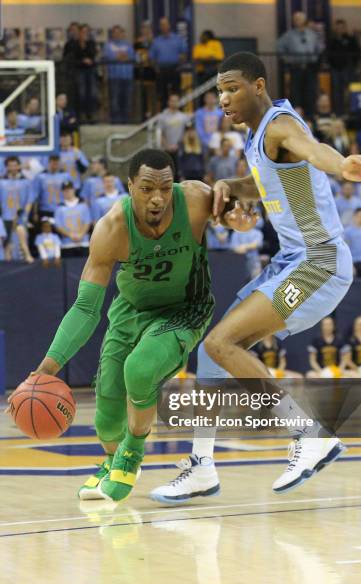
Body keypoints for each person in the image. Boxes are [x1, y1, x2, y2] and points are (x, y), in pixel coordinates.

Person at [150, 51, 361, 504]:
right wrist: (229, 188)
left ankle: (307, 434)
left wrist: (344, 166)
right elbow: (261, 183)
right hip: (292, 262)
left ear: (258, 85)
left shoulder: (279, 124)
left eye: (232, 88)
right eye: (219, 91)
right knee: (213, 354)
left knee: (221, 344)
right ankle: (202, 466)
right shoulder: (258, 139)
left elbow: (315, 152)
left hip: (319, 263)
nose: (223, 99)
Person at [10, 149, 256, 503]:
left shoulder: (196, 200)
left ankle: (132, 453)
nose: (157, 198)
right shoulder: (111, 228)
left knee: (139, 370)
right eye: (146, 189)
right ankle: (113, 458)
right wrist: (45, 370)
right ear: (129, 187)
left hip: (184, 309)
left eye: (165, 188)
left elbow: (239, 205)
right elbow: (85, 308)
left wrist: (239, 219)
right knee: (107, 414)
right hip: (131, 310)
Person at [276, 12, 321, 116]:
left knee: (310, 93)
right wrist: (288, 59)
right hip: (296, 68)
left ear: (304, 20)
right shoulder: (288, 35)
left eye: (300, 18)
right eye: (296, 19)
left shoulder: (312, 34)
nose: (298, 21)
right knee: (296, 94)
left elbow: (319, 47)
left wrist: (314, 57)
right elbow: (279, 47)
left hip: (310, 68)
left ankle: (310, 117)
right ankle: (296, 116)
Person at [149, 17, 187, 109]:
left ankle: (179, 112)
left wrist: (180, 64)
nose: (164, 26)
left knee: (176, 92)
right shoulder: (156, 41)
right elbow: (151, 57)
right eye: (162, 25)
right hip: (161, 70)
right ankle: (164, 113)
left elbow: (184, 53)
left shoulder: (177, 39)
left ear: (169, 25)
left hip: (175, 68)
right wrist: (156, 68)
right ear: (159, 27)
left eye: (165, 24)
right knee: (162, 94)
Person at [103, 26, 137, 124]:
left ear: (123, 33)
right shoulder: (108, 45)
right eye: (115, 32)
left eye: (119, 32)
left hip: (127, 77)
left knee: (127, 100)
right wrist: (122, 56)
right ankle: (115, 122)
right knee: (115, 101)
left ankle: (126, 122)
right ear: (112, 34)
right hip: (114, 77)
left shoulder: (128, 45)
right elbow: (108, 56)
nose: (117, 34)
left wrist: (120, 57)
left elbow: (134, 57)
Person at [327, 19, 361, 115]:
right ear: (335, 29)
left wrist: (352, 65)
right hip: (336, 70)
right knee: (337, 93)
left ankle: (352, 112)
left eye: (342, 27)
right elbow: (328, 54)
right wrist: (332, 65)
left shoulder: (351, 40)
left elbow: (357, 53)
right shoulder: (332, 40)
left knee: (350, 92)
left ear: (345, 28)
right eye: (338, 27)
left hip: (348, 70)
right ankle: (339, 112)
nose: (340, 29)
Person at [54, 181, 91, 257]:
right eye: (65, 190)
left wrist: (81, 235)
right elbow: (58, 226)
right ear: (62, 192)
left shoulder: (83, 205)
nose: (67, 192)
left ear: (74, 190)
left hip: (83, 243)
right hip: (67, 244)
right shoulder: (59, 207)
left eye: (69, 189)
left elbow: (87, 222)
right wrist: (70, 235)